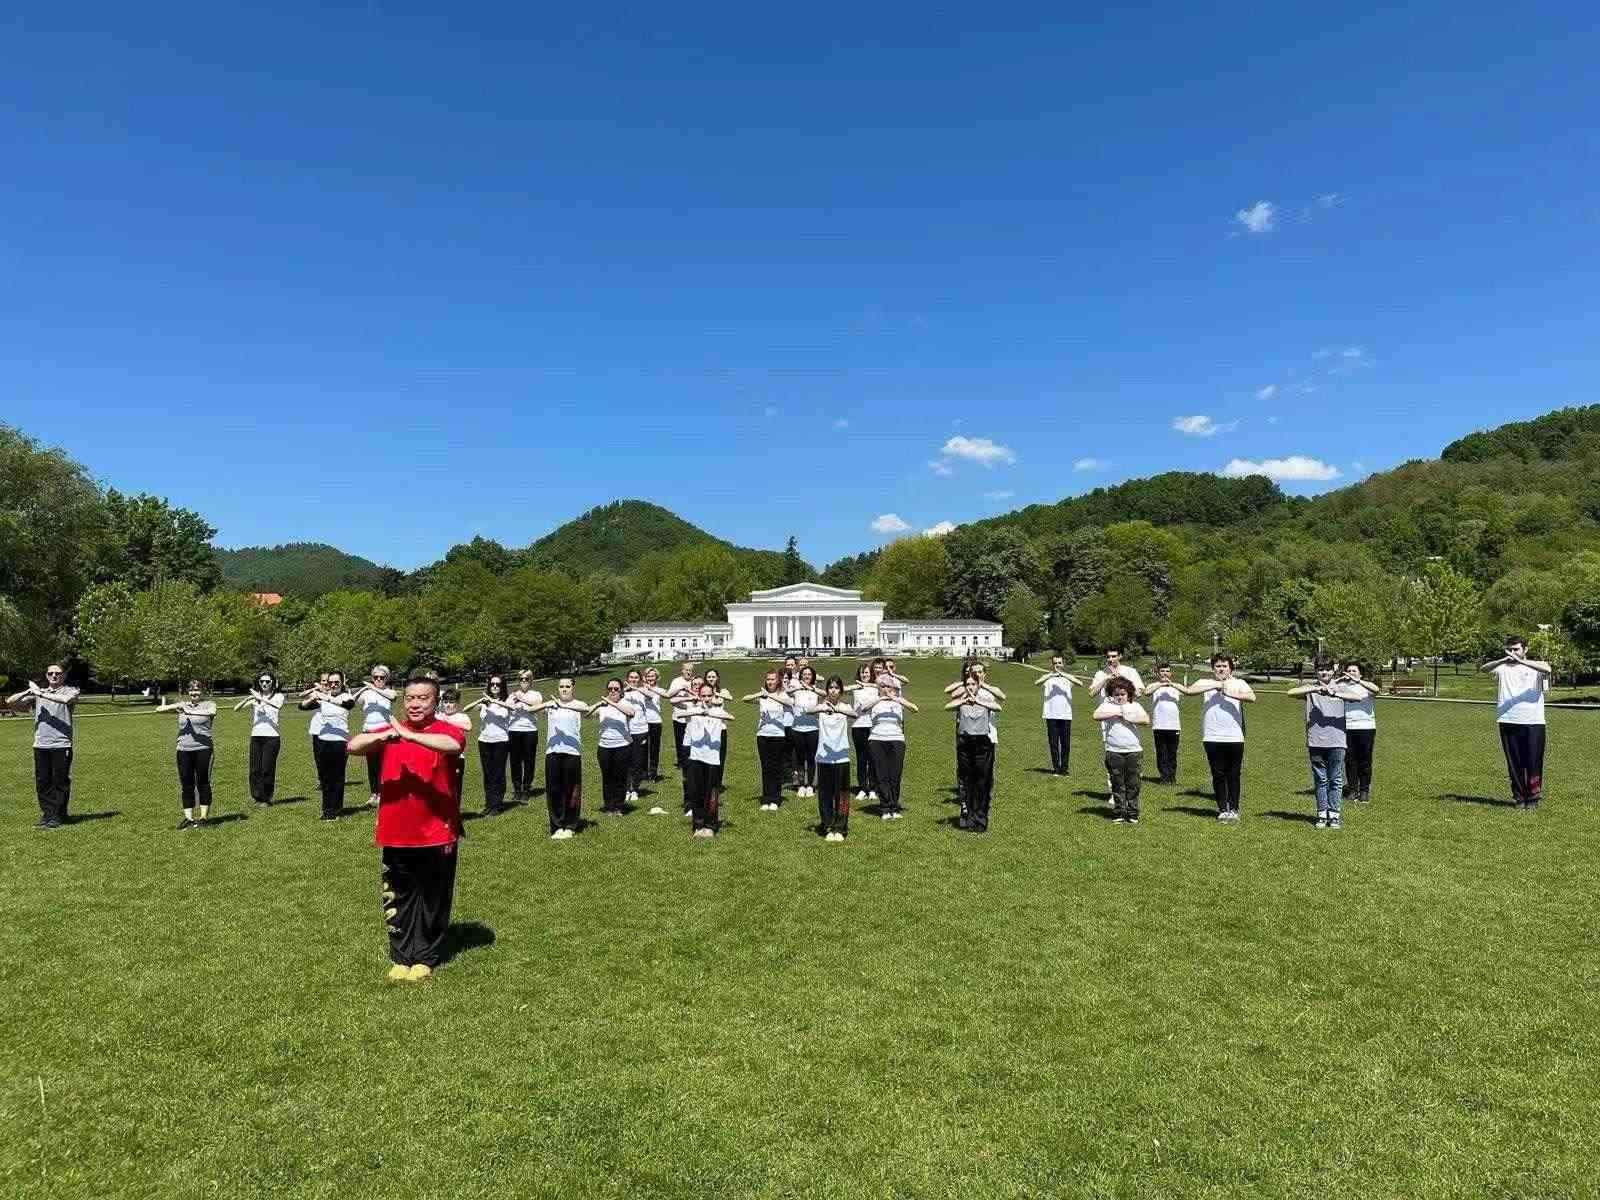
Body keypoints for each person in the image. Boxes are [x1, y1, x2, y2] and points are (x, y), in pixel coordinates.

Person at [347, 675, 467, 983]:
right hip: (396, 830)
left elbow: (452, 745)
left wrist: (411, 737)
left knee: (432, 897)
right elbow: (353, 746)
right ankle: (402, 956)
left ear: (435, 701)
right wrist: (381, 738)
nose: (415, 704)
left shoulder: (446, 729)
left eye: (422, 698)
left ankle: (425, 956)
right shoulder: (391, 731)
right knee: (398, 895)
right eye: (410, 698)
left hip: (437, 831)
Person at [1287, 662, 1366, 830]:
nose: (1324, 673)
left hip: (1337, 740)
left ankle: (1334, 814)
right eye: (1321, 669)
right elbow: (1290, 692)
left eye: (1328, 669)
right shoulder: (1310, 688)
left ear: (1333, 671)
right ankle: (1322, 814)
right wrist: (1313, 690)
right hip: (1315, 740)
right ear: (1316, 671)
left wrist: (1334, 692)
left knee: (1335, 779)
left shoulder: (1340, 687)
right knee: (1320, 779)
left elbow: (1358, 697)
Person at [1181, 654, 1256, 822]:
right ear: (1213, 668)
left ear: (1230, 668)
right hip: (1212, 736)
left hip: (1234, 737)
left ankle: (1234, 809)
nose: (1221, 669)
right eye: (1217, 666)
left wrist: (1229, 692)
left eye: (1224, 666)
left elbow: (1252, 697)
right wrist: (1217, 685)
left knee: (1234, 774)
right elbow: (1189, 691)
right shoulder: (1204, 682)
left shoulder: (1239, 683)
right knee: (1218, 774)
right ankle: (1222, 809)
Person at [1481, 636, 1552, 809]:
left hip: (1533, 721)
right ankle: (1519, 797)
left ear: (1525, 649)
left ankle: (1533, 798)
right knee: (1514, 762)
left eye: (1516, 649)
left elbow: (1548, 669)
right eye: (1510, 650)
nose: (1512, 653)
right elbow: (1484, 669)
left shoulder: (1536, 666)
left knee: (1533, 760)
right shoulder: (1503, 668)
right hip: (1508, 720)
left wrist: (1522, 662)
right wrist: (1503, 659)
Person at [8, 665, 80, 828]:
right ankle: (48, 814)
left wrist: (40, 693)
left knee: (60, 781)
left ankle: (59, 815)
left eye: (58, 673)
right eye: (50, 673)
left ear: (63, 676)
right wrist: (28, 692)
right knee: (43, 781)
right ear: (47, 676)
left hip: (62, 744)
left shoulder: (70, 691)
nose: (54, 676)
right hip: (41, 743)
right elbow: (10, 702)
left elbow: (66, 701)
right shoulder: (37, 695)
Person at [156, 681, 219, 829]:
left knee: (203, 783)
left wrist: (190, 712)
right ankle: (188, 818)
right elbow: (159, 709)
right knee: (187, 785)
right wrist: (177, 707)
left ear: (202, 691)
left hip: (203, 749)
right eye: (191, 690)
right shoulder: (184, 705)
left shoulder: (209, 704)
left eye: (197, 690)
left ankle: (203, 818)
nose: (194, 693)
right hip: (183, 750)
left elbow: (212, 713)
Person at [945, 677, 1002, 832]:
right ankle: (969, 819)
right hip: (964, 742)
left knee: (982, 782)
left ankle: (981, 820)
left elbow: (998, 707)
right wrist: (964, 701)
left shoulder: (984, 699)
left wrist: (978, 701)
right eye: (967, 684)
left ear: (978, 686)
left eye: (973, 684)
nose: (970, 687)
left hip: (982, 743)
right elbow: (947, 706)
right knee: (968, 781)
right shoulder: (961, 700)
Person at [299, 671, 356, 821]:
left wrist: (327, 698)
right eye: (330, 682)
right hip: (323, 740)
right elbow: (302, 706)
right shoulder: (323, 698)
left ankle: (336, 807)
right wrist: (312, 697)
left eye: (336, 682)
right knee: (325, 777)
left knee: (337, 776)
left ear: (342, 682)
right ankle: (327, 810)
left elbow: (348, 705)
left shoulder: (346, 696)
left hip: (340, 741)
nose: (333, 684)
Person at [681, 682, 735, 838]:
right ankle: (698, 824)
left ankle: (710, 825)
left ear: (714, 696)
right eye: (703, 695)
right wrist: (700, 711)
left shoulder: (718, 710)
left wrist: (710, 713)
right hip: (696, 756)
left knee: (711, 793)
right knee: (696, 791)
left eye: (709, 695)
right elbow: (680, 715)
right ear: (699, 696)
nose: (706, 698)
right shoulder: (694, 709)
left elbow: (731, 717)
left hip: (712, 758)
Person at [861, 676, 919, 820]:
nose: (886, 689)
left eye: (889, 686)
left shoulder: (898, 701)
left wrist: (896, 699)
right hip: (877, 740)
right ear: (878, 688)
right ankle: (885, 807)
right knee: (882, 775)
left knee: (895, 775)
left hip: (896, 739)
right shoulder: (875, 701)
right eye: (882, 686)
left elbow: (914, 709)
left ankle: (894, 806)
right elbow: (863, 708)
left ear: (894, 688)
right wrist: (880, 698)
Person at [1094, 677, 1149, 824]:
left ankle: (1132, 813)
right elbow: (1096, 715)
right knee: (1117, 782)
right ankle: (1119, 811)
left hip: (1133, 751)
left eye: (1123, 694)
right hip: (1113, 750)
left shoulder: (1135, 706)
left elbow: (1146, 720)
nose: (1120, 697)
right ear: (1112, 694)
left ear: (1129, 694)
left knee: (1133, 783)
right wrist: (1116, 714)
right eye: (1116, 694)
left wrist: (1130, 718)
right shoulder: (1108, 706)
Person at [537, 679, 586, 839]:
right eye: (561, 687)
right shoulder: (552, 705)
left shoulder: (579, 704)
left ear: (573, 688)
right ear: (558, 688)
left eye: (567, 686)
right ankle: (557, 824)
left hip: (572, 753)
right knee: (554, 789)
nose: (564, 689)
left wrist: (562, 705)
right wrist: (548, 705)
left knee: (572, 790)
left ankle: (571, 824)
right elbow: (531, 710)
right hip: (552, 752)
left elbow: (587, 709)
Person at [742, 671, 794, 811]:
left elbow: (790, 703)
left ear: (778, 681)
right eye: (768, 679)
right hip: (762, 735)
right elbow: (745, 699)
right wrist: (760, 695)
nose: (770, 682)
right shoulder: (762, 696)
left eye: (773, 679)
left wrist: (770, 695)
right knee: (766, 767)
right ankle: (766, 798)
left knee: (776, 767)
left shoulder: (782, 694)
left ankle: (775, 799)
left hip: (777, 735)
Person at [233, 671, 284, 806]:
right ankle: (257, 797)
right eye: (262, 681)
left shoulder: (278, 696)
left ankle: (266, 798)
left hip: (272, 737)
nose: (264, 684)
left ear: (273, 682)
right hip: (256, 736)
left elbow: (277, 706)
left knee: (267, 768)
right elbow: (236, 709)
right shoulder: (256, 698)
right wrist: (248, 699)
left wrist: (259, 698)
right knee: (255, 769)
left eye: (267, 681)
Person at [588, 679, 638, 815]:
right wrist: (600, 703)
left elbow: (631, 713)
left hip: (622, 746)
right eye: (610, 689)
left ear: (621, 690)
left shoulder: (625, 703)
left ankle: (619, 806)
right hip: (604, 747)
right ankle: (609, 806)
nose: (613, 691)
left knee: (620, 777)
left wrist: (611, 703)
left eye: (616, 689)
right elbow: (586, 714)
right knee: (607, 777)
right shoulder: (603, 706)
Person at [465, 675, 512, 815]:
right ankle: (489, 803)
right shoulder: (485, 703)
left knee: (498, 773)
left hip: (500, 741)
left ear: (502, 686)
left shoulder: (506, 700)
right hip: (484, 741)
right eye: (492, 684)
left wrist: (492, 701)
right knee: (487, 773)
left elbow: (510, 709)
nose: (495, 686)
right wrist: (481, 701)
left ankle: (497, 804)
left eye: (498, 684)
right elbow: (466, 709)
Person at [814, 676, 854, 841]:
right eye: (830, 687)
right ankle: (828, 825)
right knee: (825, 795)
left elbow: (855, 713)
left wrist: (837, 710)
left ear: (841, 691)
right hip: (824, 759)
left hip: (842, 759)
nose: (833, 690)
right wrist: (823, 708)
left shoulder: (845, 706)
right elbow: (807, 710)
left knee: (842, 796)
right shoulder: (821, 707)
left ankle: (841, 827)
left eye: (836, 688)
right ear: (827, 690)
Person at [351, 665, 396, 808]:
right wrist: (364, 689)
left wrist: (373, 688)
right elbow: (351, 702)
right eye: (375, 677)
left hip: (385, 731)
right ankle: (373, 794)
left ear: (386, 678)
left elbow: (393, 697)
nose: (378, 680)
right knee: (372, 765)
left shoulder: (389, 691)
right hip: (369, 732)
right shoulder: (366, 693)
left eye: (381, 677)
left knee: (384, 764)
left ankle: (383, 794)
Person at [1033, 653, 1084, 775]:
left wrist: (1063, 674)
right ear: (1052, 664)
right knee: (1053, 743)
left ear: (1063, 664)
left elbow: (1080, 683)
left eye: (1059, 663)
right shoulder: (1048, 677)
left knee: (1065, 744)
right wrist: (1050, 675)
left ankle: (1064, 769)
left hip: (1065, 715)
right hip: (1050, 715)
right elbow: (1037, 683)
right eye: (1055, 663)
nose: (1057, 665)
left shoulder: (1068, 678)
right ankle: (1056, 768)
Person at [1341, 663, 1381, 803]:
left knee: (1365, 760)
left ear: (1360, 674)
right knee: (1350, 760)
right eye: (1348, 670)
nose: (1351, 673)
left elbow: (1377, 690)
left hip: (1366, 727)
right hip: (1347, 727)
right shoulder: (1343, 687)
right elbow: (1330, 688)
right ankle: (1352, 789)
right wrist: (1340, 678)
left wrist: (1359, 681)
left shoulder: (1366, 686)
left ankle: (1364, 790)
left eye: (1354, 671)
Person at [506, 671, 544, 805]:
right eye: (521, 679)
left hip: (530, 731)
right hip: (514, 730)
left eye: (526, 679)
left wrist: (521, 699)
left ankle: (526, 789)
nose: (523, 681)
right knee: (515, 761)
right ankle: (517, 790)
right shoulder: (511, 695)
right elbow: (507, 708)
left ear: (531, 681)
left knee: (529, 761)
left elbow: (537, 707)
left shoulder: (536, 694)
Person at [1147, 663, 1184, 785]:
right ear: (1158, 673)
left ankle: (1171, 777)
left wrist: (1171, 683)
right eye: (1162, 671)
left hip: (1174, 726)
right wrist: (1161, 684)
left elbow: (1187, 691)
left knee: (1172, 753)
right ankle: (1164, 777)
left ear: (1171, 673)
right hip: (1159, 725)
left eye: (1167, 671)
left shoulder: (1175, 687)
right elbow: (1146, 692)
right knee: (1161, 752)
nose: (1164, 673)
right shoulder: (1154, 686)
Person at [850, 662, 880, 802]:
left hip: (873, 726)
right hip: (858, 726)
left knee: (873, 758)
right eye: (862, 673)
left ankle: (873, 788)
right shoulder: (856, 689)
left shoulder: (876, 688)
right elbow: (863, 707)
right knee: (861, 759)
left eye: (867, 672)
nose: (864, 675)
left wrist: (871, 686)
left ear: (871, 674)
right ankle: (862, 788)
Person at [790, 665, 822, 798]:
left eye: (809, 674)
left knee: (811, 757)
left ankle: (810, 785)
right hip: (797, 729)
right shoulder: (796, 691)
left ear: (813, 676)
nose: (807, 676)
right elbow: (785, 692)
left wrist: (811, 688)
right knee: (799, 758)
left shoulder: (815, 691)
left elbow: (824, 694)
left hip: (813, 729)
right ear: (800, 676)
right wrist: (799, 686)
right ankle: (801, 785)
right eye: (804, 674)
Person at [622, 669, 650, 805]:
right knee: (626, 762)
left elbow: (650, 695)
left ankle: (635, 789)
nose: (633, 679)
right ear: (627, 678)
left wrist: (635, 688)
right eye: (631, 677)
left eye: (636, 678)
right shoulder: (622, 692)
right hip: (625, 731)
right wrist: (625, 689)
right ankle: (626, 789)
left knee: (637, 762)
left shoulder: (643, 691)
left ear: (639, 679)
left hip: (641, 729)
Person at [439, 687, 473, 803]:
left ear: (457, 703)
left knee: (455, 788)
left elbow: (468, 727)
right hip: (439, 758)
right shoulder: (438, 716)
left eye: (451, 702)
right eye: (446, 702)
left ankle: (455, 816)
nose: (448, 705)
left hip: (457, 758)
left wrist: (447, 721)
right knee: (441, 788)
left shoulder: (461, 717)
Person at [666, 661, 696, 773]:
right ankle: (681, 761)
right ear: (682, 670)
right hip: (678, 716)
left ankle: (691, 759)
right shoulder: (676, 681)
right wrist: (680, 688)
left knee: (691, 739)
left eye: (690, 670)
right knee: (679, 740)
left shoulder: (695, 681)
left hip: (692, 716)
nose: (688, 672)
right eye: (686, 670)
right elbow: (669, 695)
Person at [642, 666, 666, 782]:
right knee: (643, 748)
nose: (650, 678)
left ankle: (653, 773)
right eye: (648, 676)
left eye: (652, 676)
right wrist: (644, 688)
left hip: (655, 722)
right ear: (644, 677)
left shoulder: (659, 689)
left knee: (654, 748)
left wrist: (651, 688)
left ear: (656, 677)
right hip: (643, 722)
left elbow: (666, 694)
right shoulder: (641, 689)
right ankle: (643, 773)